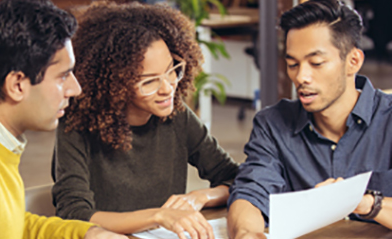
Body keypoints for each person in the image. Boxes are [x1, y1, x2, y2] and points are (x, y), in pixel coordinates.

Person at [0, 0, 126, 238]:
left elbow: (7, 225)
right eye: (63, 76)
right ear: (17, 85)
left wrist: (89, 234)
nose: (75, 89)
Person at [51, 2, 239, 239]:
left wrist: (199, 197)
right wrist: (158, 216)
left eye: (172, 70)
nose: (168, 88)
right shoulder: (78, 124)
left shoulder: (177, 116)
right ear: (115, 84)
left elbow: (235, 177)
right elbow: (74, 215)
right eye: (149, 81)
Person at [227, 0, 392, 238]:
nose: (301, 77)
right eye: (293, 64)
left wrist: (363, 203)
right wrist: (246, 233)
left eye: (316, 63)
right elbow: (251, 192)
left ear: (353, 61)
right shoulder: (272, 125)